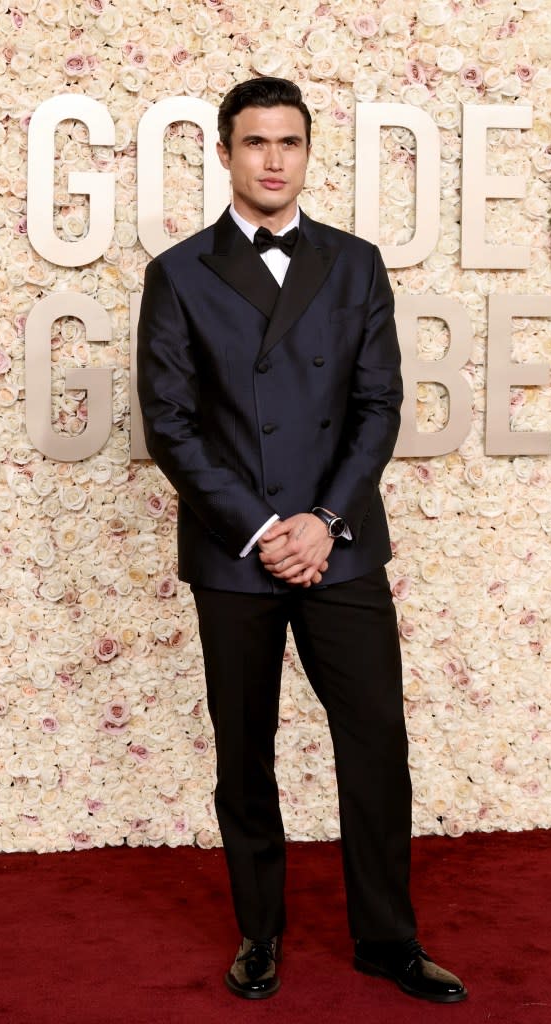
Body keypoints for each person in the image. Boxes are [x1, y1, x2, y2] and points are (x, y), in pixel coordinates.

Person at [137, 76, 467, 1004]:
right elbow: (169, 424)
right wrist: (260, 529)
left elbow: (378, 404)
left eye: (289, 142)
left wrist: (322, 522)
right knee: (244, 750)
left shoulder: (356, 264)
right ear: (225, 153)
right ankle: (260, 934)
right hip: (233, 554)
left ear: (308, 152)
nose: (274, 159)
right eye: (255, 143)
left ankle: (388, 940)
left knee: (376, 743)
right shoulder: (180, 273)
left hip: (343, 546)